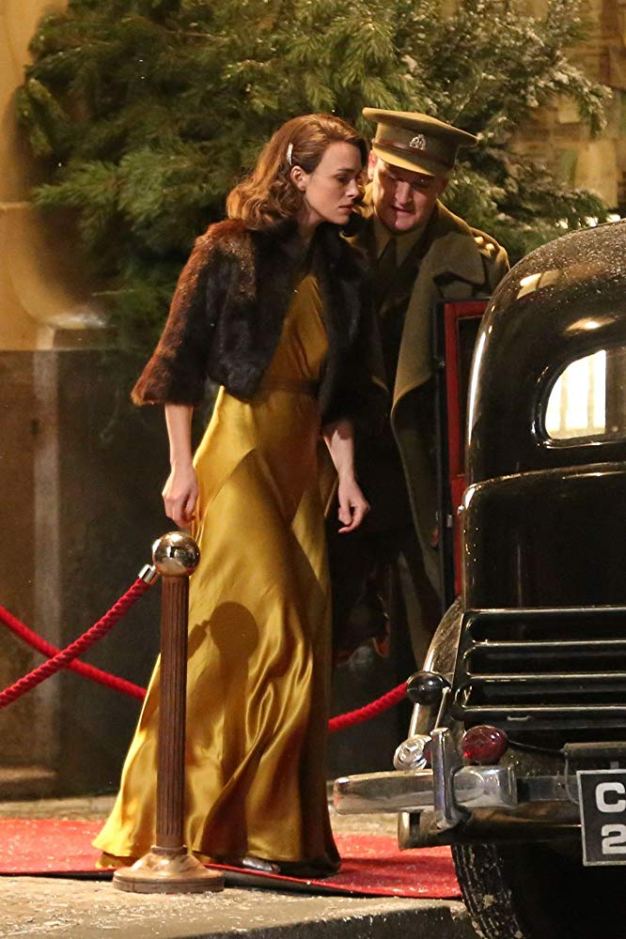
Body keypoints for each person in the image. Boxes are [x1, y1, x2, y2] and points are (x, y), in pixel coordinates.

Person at [94, 113, 382, 878]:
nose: (356, 191)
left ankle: (267, 829)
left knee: (297, 638)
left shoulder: (347, 268)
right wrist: (180, 468)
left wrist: (347, 473)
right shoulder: (230, 249)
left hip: (305, 463)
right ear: (297, 175)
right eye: (342, 177)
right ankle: (198, 816)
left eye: (358, 178)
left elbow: (347, 390)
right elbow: (177, 364)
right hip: (240, 449)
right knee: (270, 632)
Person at [328, 108, 509, 670]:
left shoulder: (478, 263)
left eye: (421, 185)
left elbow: (486, 396)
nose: (402, 198)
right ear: (372, 166)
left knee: (432, 641)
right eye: (393, 178)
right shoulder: (327, 240)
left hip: (421, 487)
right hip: (334, 470)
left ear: (443, 186)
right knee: (328, 635)